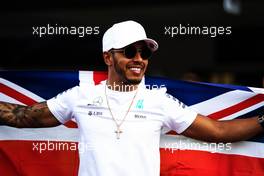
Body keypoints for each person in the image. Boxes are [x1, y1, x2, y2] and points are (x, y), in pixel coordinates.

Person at [0, 20, 263, 176]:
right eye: (129, 51)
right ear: (108, 57)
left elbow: (218, 130)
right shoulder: (81, 96)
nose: (138, 59)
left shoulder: (159, 101)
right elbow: (25, 117)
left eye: (144, 53)